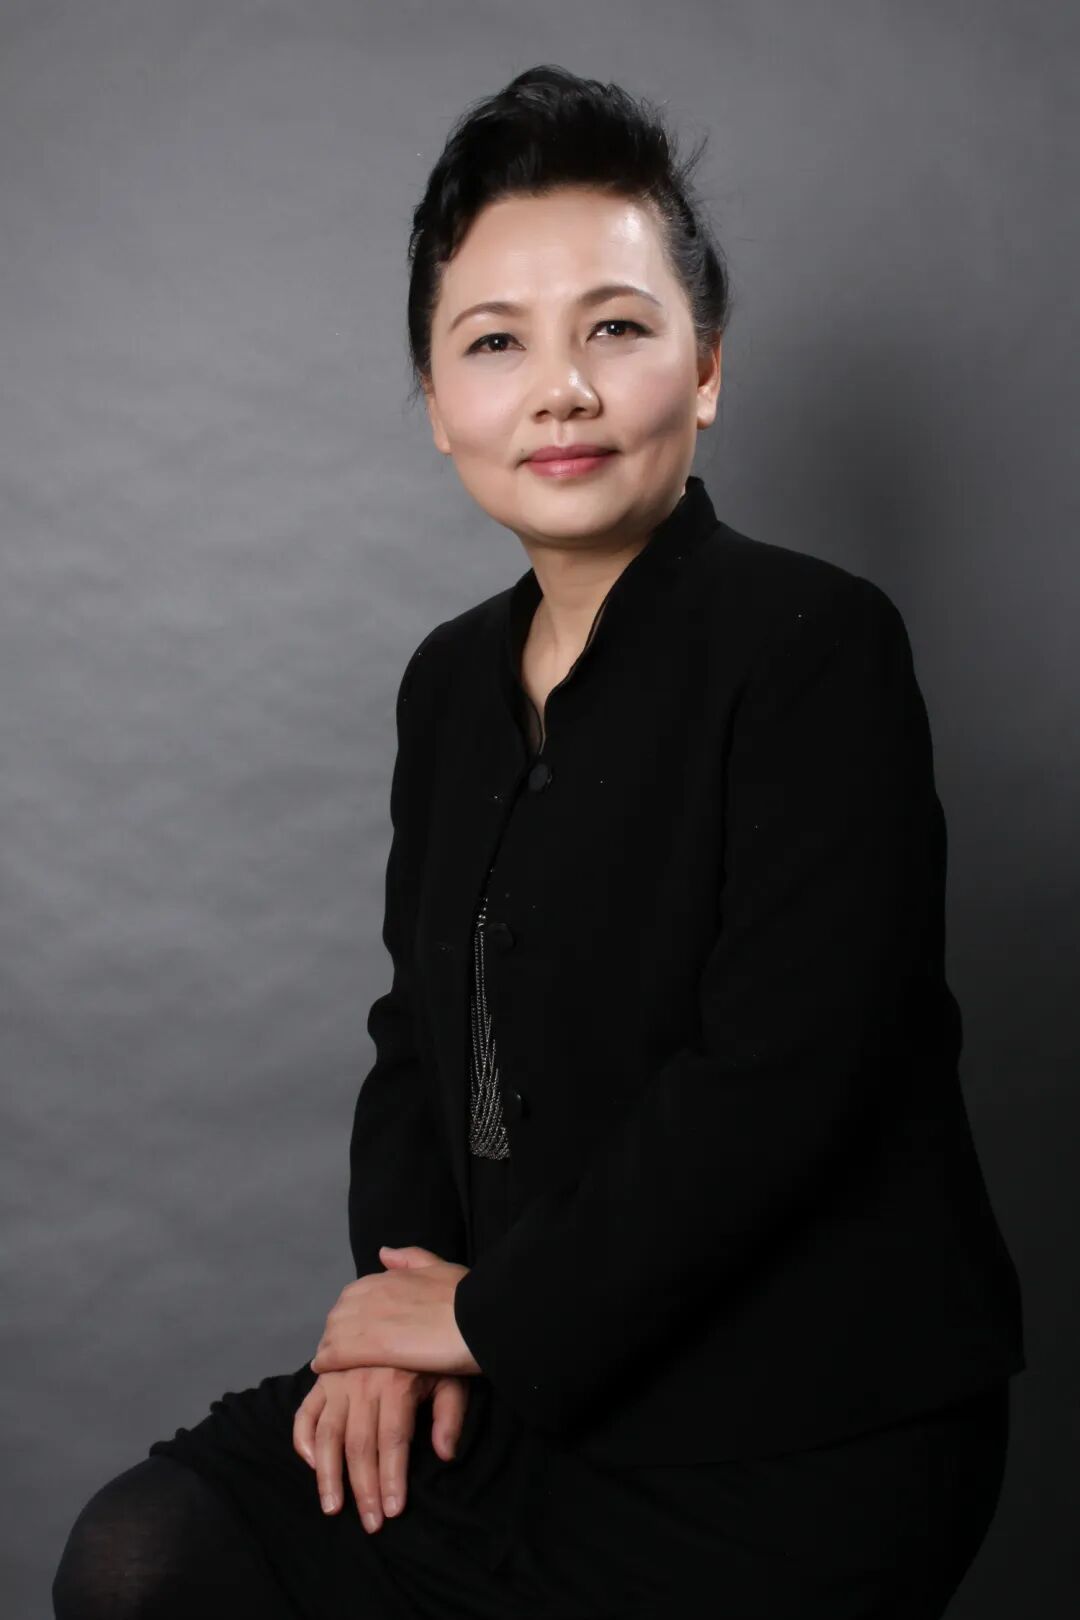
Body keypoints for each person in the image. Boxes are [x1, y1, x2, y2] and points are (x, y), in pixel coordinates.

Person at [52, 63, 1025, 1620]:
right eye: (495, 342)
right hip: (514, 1373)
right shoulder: (449, 685)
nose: (559, 388)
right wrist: (395, 1321)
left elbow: (786, 1081)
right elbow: (417, 1041)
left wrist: (481, 1322)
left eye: (616, 329)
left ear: (707, 370)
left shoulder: (817, 646)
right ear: (438, 403)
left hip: (796, 1428)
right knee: (145, 1559)